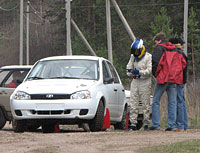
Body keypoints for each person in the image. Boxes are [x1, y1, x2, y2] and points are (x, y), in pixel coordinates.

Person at [150, 32, 187, 131]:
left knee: (156, 101)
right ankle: (172, 125)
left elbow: (155, 62)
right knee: (172, 102)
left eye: (156, 41)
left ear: (159, 40)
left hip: (163, 78)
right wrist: (176, 74)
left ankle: (156, 124)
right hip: (174, 79)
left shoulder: (159, 48)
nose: (155, 44)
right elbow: (183, 64)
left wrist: (156, 74)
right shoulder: (176, 49)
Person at [126, 38, 152, 131]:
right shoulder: (133, 57)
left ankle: (146, 123)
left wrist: (140, 72)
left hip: (145, 81)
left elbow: (149, 71)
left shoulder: (148, 57)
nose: (135, 53)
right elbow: (128, 67)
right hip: (135, 81)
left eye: (137, 51)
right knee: (133, 103)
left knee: (145, 103)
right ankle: (133, 123)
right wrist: (130, 72)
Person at [169, 37, 188, 131]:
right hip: (182, 80)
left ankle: (179, 124)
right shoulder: (183, 54)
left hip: (178, 80)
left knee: (179, 102)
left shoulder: (177, 54)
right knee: (182, 102)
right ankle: (184, 124)